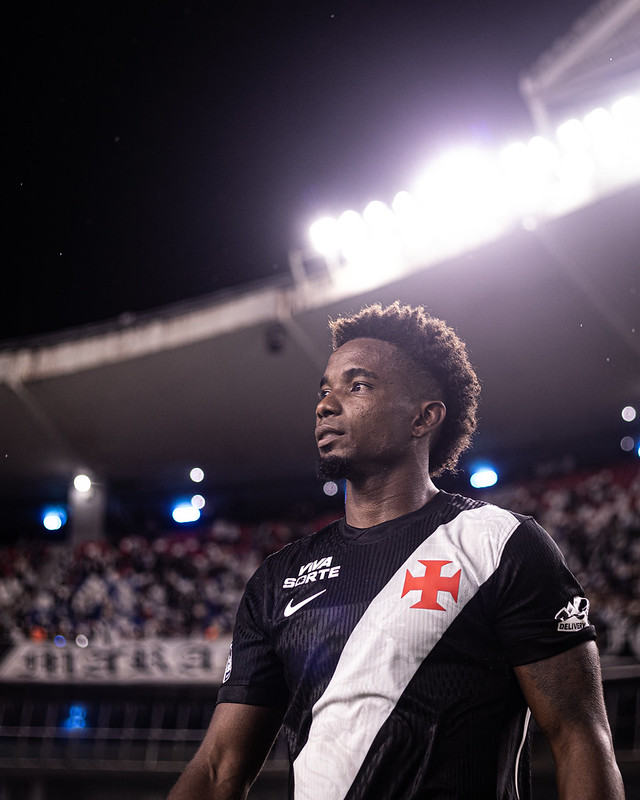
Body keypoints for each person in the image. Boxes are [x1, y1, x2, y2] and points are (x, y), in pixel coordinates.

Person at [168, 302, 625, 800]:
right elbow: (217, 769)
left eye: (357, 386)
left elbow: (579, 736)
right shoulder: (278, 578)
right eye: (324, 390)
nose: (325, 405)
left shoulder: (501, 544)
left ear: (423, 417)